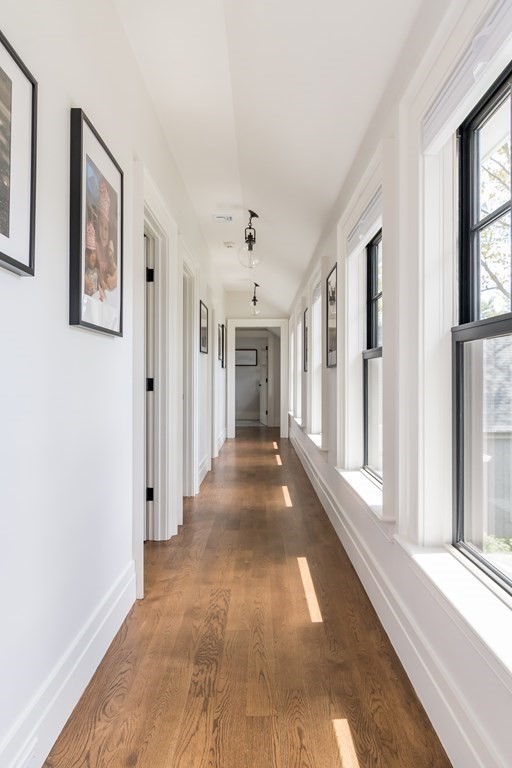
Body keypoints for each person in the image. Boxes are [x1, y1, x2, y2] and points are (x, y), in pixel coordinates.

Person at [84, 221, 99, 296]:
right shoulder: (85, 273)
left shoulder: (97, 272)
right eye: (90, 253)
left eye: (94, 252)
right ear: (86, 256)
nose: (93, 256)